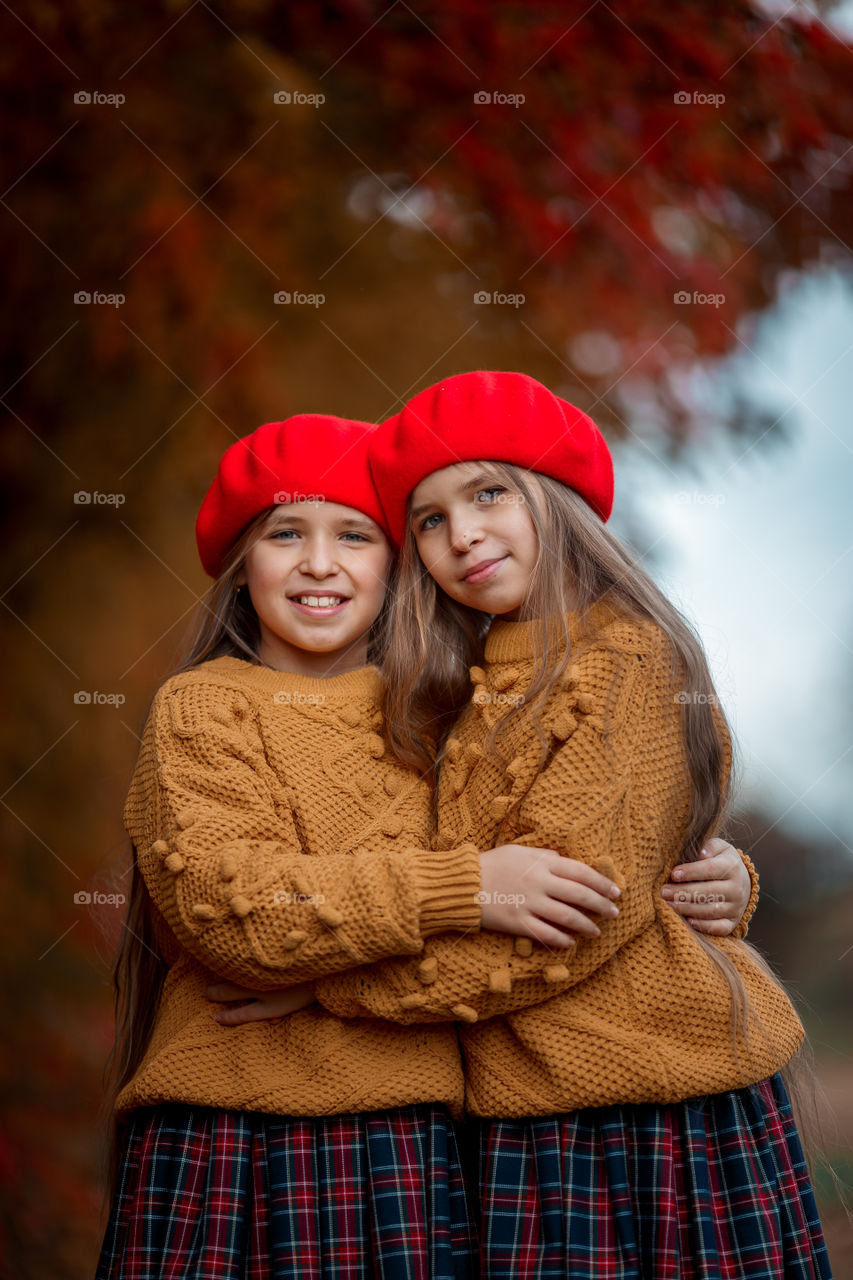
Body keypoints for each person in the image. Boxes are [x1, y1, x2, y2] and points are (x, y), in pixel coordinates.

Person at [99, 409, 754, 1280]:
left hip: (433, 1135)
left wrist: (712, 872)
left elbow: (572, 858)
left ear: (396, 569)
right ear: (240, 566)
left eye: (357, 537)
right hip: (244, 1123)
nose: (320, 563)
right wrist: (463, 886)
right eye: (284, 533)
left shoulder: (446, 711)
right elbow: (232, 905)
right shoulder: (203, 706)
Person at [304, 372, 832, 1278]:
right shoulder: (464, 693)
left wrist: (332, 992)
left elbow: (569, 924)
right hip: (522, 1106)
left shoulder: (625, 656)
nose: (460, 534)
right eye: (427, 520)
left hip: (648, 1107)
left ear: (558, 501)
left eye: (487, 493)